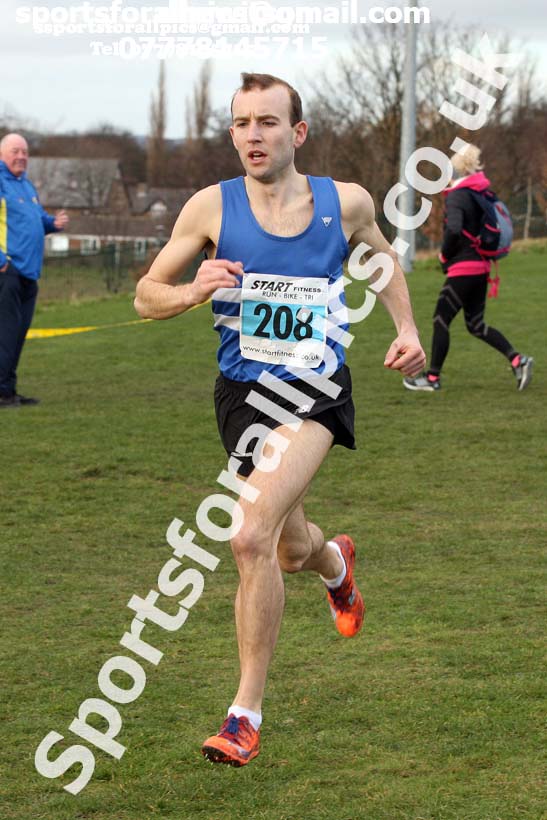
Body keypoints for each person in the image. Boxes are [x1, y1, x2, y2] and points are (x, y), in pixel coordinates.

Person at [135, 73, 425, 766]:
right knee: (290, 549)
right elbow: (146, 296)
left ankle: (243, 715)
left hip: (316, 388)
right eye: (241, 123)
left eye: (267, 121)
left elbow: (381, 259)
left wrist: (407, 328)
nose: (252, 135)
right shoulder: (211, 207)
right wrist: (191, 290)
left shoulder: (343, 201)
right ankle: (335, 566)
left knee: (248, 536)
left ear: (296, 133)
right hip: (244, 398)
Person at [403, 144, 533, 393]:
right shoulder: (481, 192)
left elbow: (453, 229)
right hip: (482, 267)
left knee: (441, 319)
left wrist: (444, 255)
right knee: (476, 324)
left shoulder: (458, 195)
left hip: (463, 268)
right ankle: (518, 360)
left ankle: (432, 379)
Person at [0, 132, 68, 408]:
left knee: (17, 333)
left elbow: (37, 220)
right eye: (15, 151)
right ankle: (2, 392)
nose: (21, 157)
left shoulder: (26, 186)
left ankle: (8, 390)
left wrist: (54, 223)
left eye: (25, 152)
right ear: (3, 154)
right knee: (5, 333)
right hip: (8, 272)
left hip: (30, 274)